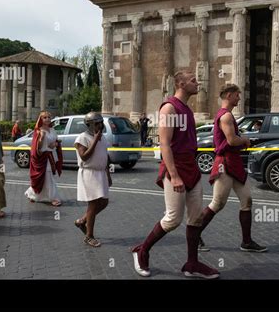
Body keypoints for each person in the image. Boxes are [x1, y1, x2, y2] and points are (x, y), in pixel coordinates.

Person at [131, 70, 219, 279]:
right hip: (176, 169)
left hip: (192, 169)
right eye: (193, 80)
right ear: (180, 83)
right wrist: (175, 175)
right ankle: (142, 251)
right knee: (172, 219)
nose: (198, 83)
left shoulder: (187, 110)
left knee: (196, 218)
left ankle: (192, 263)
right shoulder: (169, 108)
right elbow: (164, 144)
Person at [198, 84, 267, 253]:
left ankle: (247, 242)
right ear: (229, 96)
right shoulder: (226, 116)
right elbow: (231, 141)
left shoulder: (226, 116)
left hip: (233, 163)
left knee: (247, 201)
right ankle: (194, 234)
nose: (239, 98)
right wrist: (244, 139)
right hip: (225, 164)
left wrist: (241, 140)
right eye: (237, 95)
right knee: (217, 203)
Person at [73, 112, 112, 247]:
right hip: (89, 173)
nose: (100, 126)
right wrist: (95, 140)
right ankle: (89, 236)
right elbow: (84, 156)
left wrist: (108, 174)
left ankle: (82, 220)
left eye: (101, 123)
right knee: (93, 204)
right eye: (97, 123)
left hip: (100, 173)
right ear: (89, 125)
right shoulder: (82, 138)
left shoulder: (103, 138)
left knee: (104, 202)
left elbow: (105, 157)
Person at [25, 111, 63, 206]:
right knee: (46, 177)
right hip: (42, 157)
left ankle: (33, 195)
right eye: (44, 117)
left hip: (51, 156)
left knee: (47, 177)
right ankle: (53, 198)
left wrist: (56, 144)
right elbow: (37, 147)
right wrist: (42, 138)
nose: (47, 119)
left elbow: (56, 142)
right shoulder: (38, 131)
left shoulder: (53, 130)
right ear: (41, 119)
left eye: (49, 117)